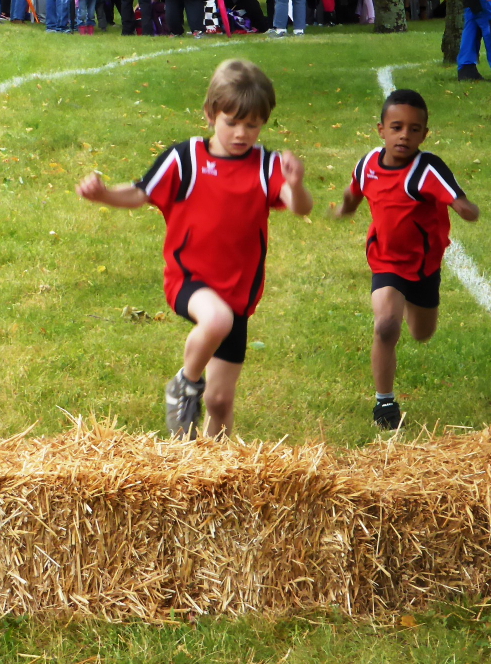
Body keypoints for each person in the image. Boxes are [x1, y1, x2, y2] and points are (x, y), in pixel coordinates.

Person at [75, 59, 313, 438]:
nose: (241, 134)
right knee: (216, 320)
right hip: (189, 279)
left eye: (252, 125)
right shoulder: (185, 159)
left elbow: (300, 207)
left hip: (239, 294)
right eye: (231, 122)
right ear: (210, 114)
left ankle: (213, 465)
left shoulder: (265, 165)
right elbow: (140, 193)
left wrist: (296, 185)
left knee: (220, 401)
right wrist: (104, 194)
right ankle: (185, 385)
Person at [332, 88, 479, 431]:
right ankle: (385, 403)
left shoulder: (427, 169)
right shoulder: (368, 164)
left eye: (414, 129)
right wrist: (344, 208)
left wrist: (465, 208)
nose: (404, 136)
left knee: (422, 332)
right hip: (385, 259)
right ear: (381, 130)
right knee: (386, 326)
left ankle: (412, 301)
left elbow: (458, 199)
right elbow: (356, 190)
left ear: (424, 134)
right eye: (396, 127)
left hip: (424, 264)